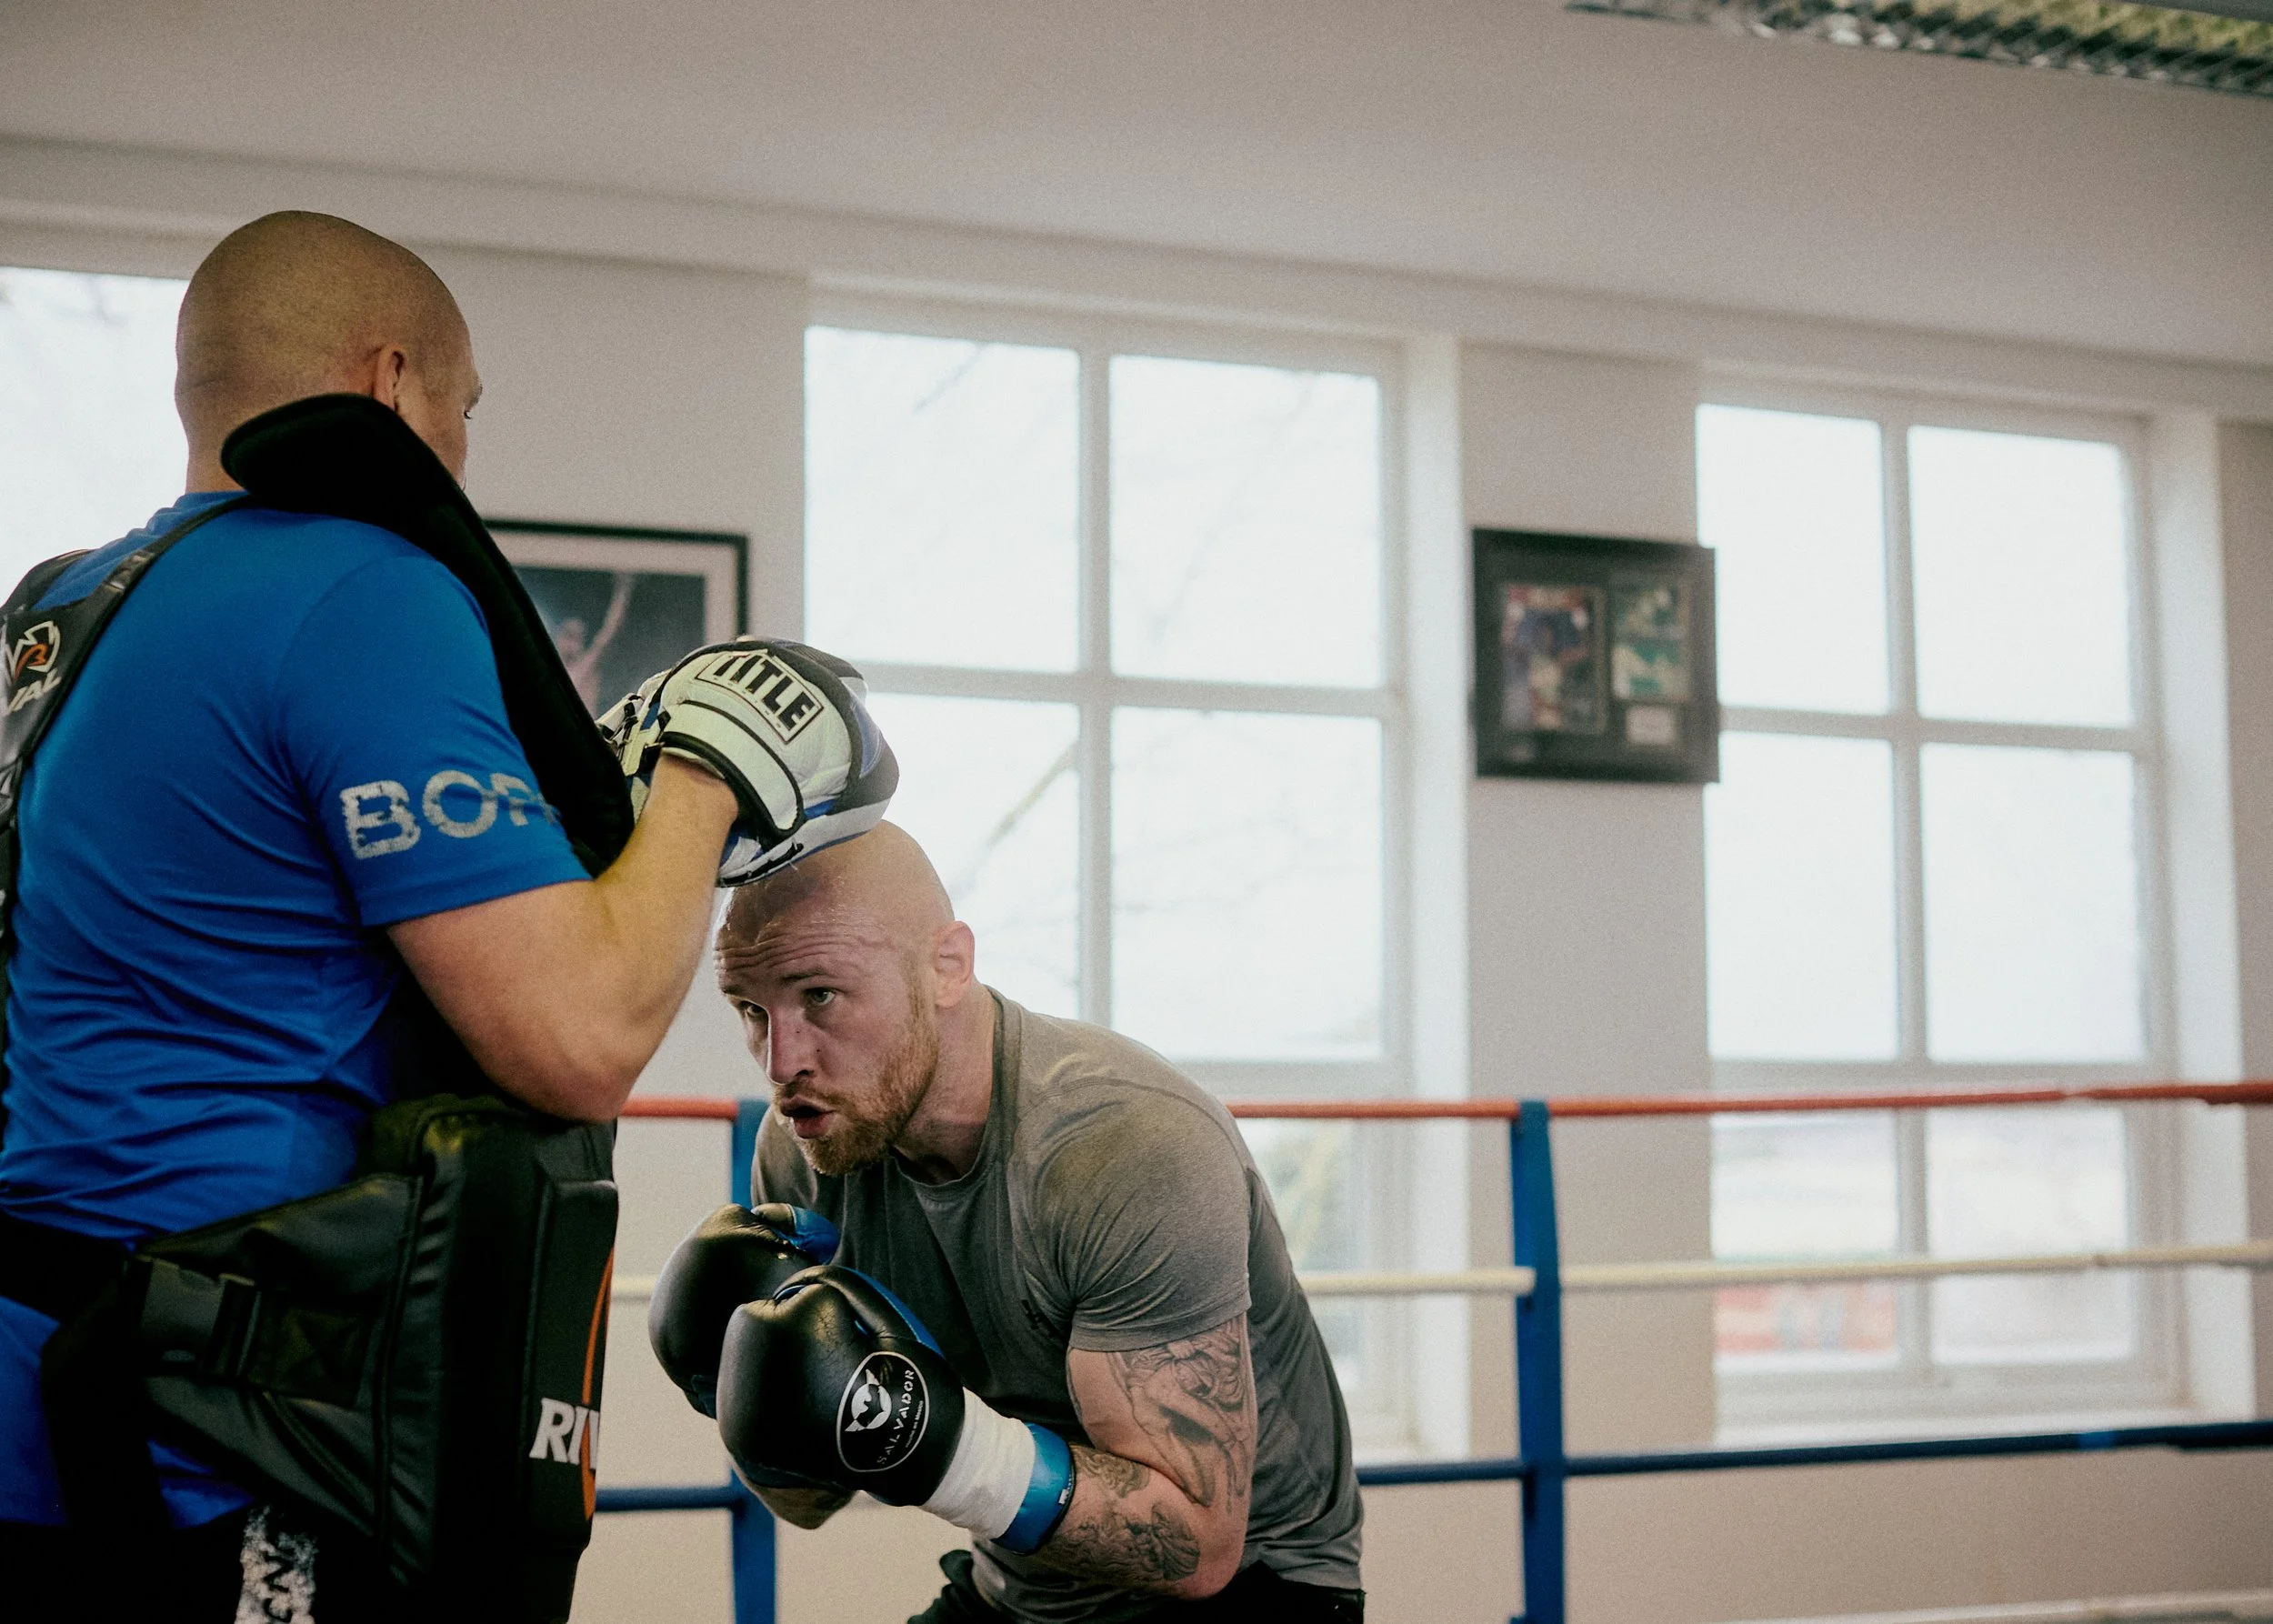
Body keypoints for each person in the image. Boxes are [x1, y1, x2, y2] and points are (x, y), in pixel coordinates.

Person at [0, 211, 876, 1621]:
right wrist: (707, 778)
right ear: (393, 381)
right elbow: (576, 1037)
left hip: (35, 1395)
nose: (463, 449)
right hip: (214, 1439)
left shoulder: (56, 617)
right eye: (464, 412)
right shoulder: (358, 587)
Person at [656, 823, 1364, 1622]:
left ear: (947, 967)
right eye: (752, 1008)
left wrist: (948, 1449)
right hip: (1023, 1588)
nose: (781, 1062)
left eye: (820, 995)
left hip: (1255, 1594)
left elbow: (1195, 1548)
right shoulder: (810, 1147)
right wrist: (738, 1394)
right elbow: (810, 1503)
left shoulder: (1123, 1147)